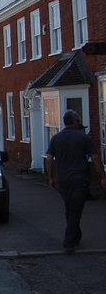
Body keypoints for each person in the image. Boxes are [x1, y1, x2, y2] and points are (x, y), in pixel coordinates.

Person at [46, 109, 106, 254]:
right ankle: (69, 242)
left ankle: (75, 236)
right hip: (80, 179)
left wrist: (51, 177)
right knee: (75, 210)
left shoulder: (56, 138)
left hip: (63, 180)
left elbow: (49, 159)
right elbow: (96, 158)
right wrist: (102, 176)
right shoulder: (83, 138)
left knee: (69, 208)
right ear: (76, 122)